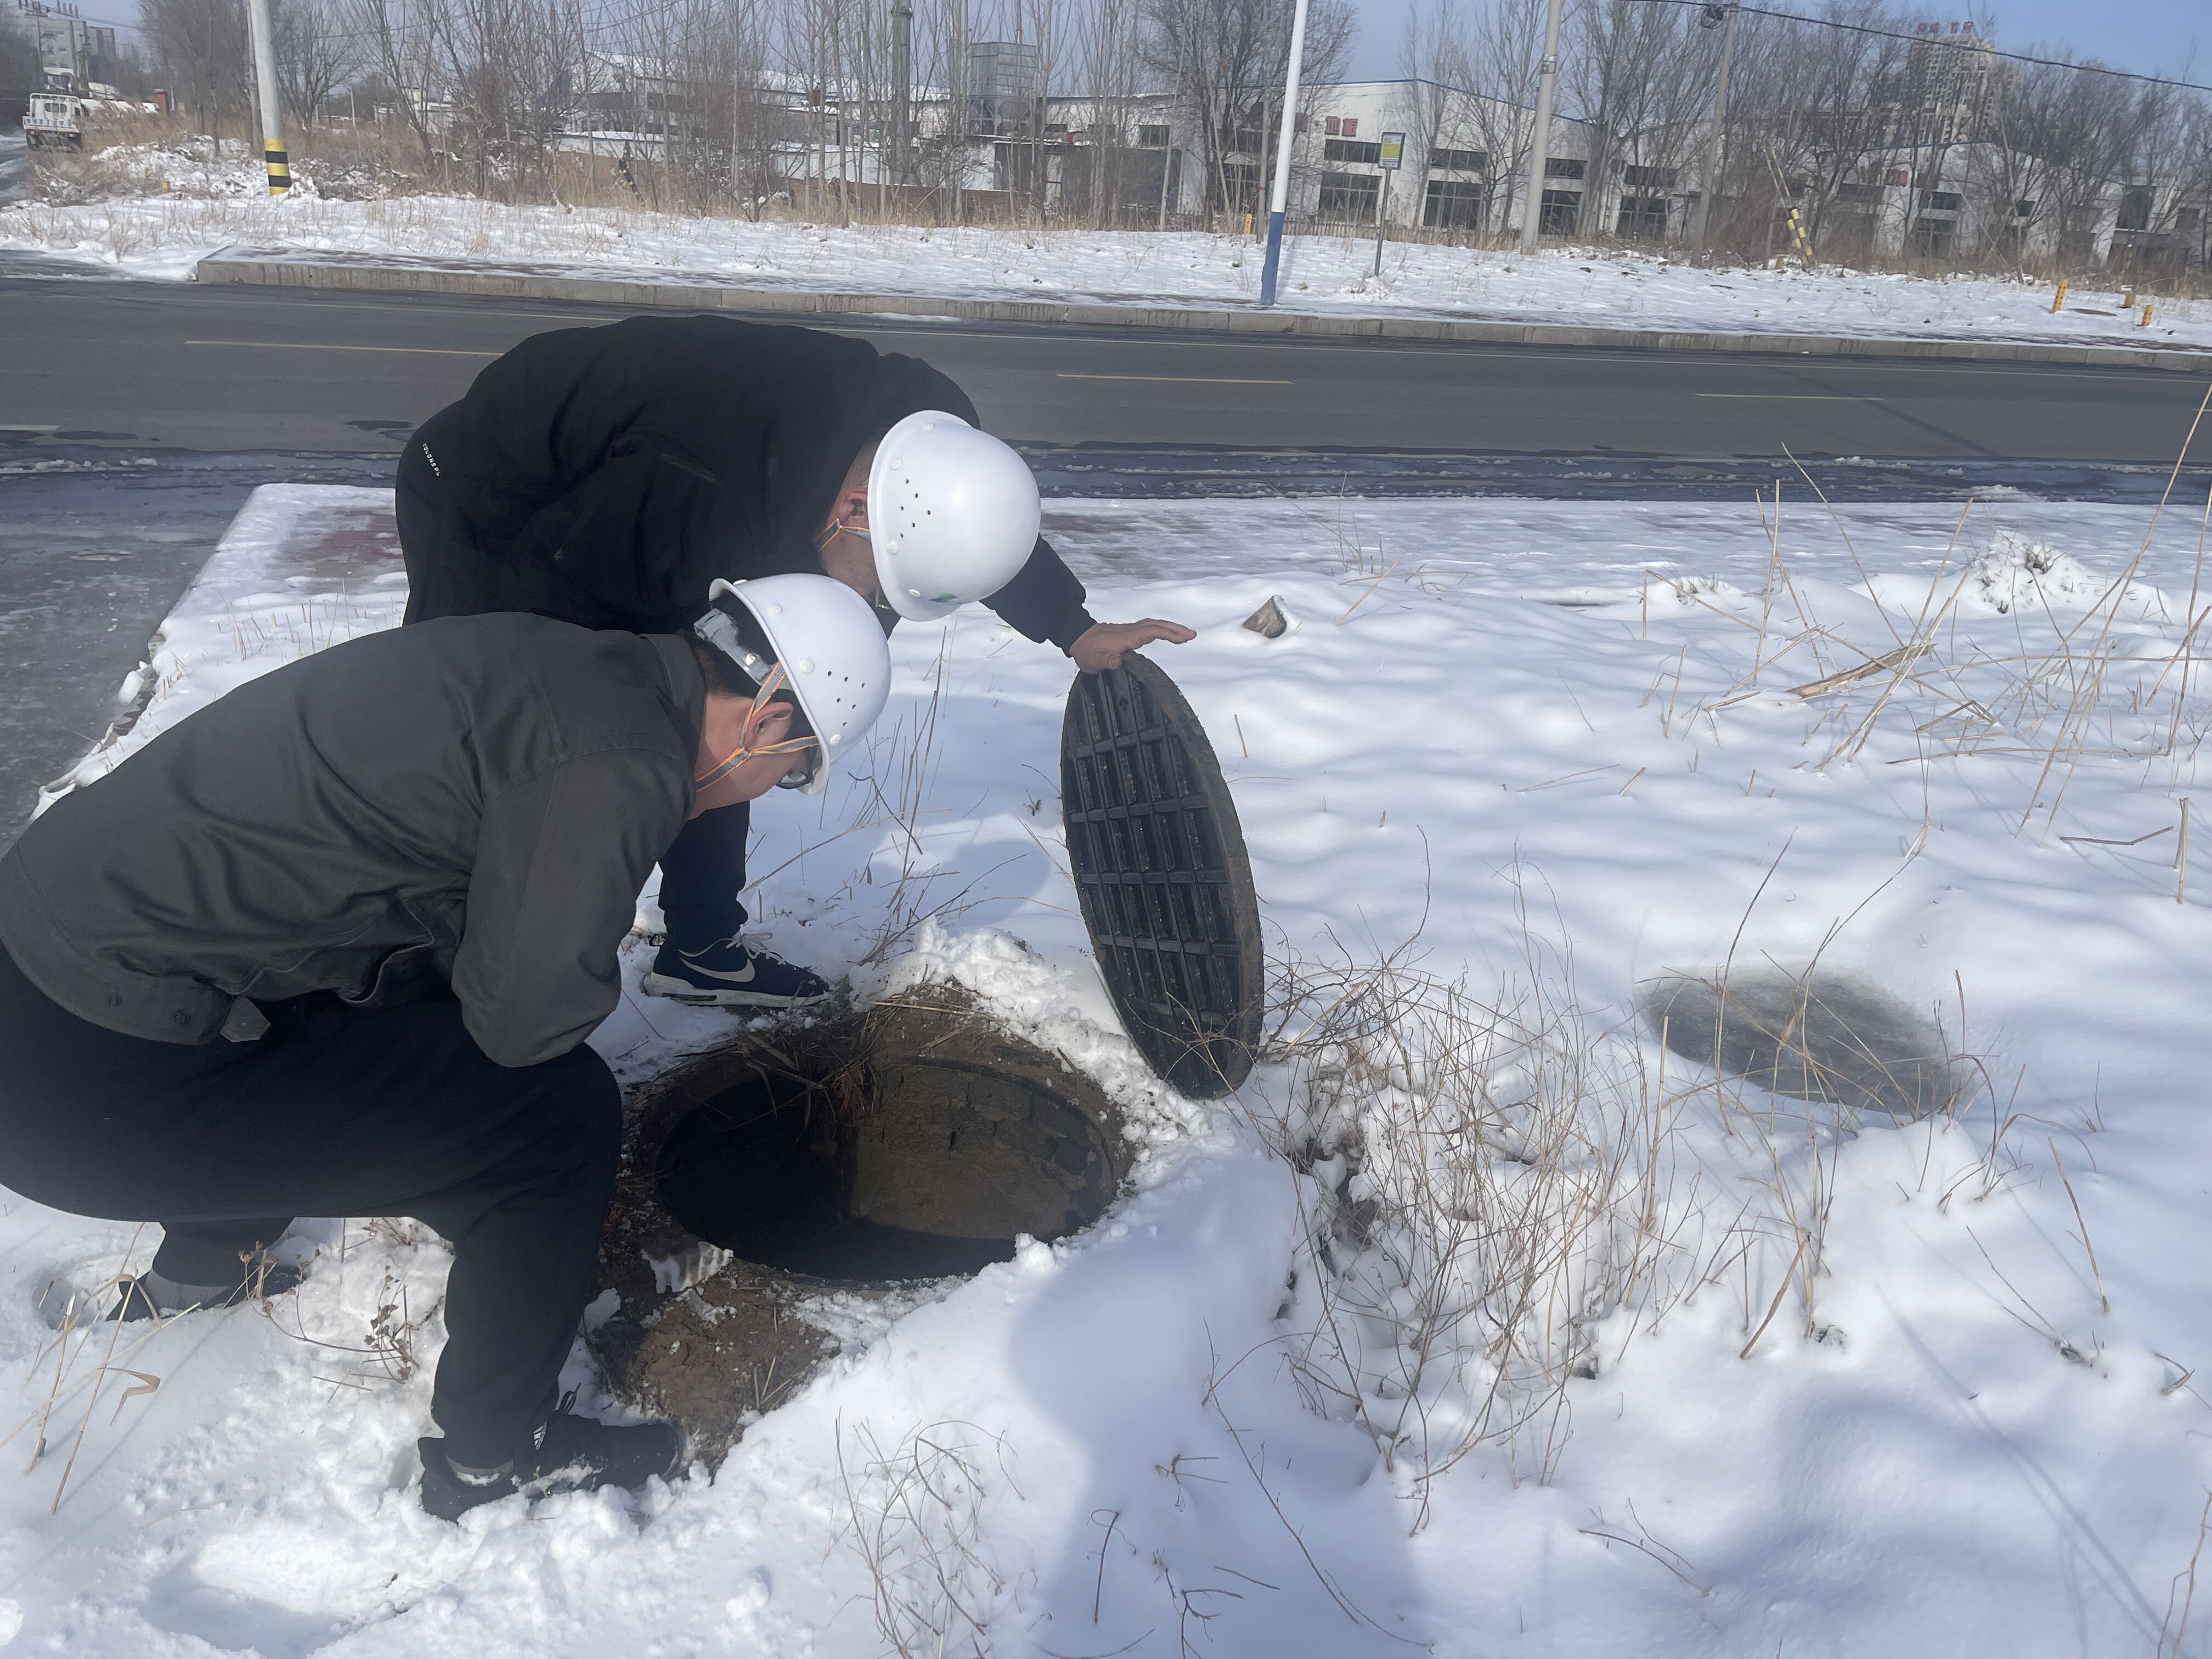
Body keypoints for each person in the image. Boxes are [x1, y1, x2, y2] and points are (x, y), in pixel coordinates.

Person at [0, 574, 890, 1520]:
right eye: (789, 772)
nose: (765, 790)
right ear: (768, 720)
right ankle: (494, 1457)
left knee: (384, 998)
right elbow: (525, 1028)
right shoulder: (620, 762)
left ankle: (209, 1262)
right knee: (556, 1122)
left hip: (41, 967)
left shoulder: (569, 660)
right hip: (82, 1088)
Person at [396, 313, 1194, 1011]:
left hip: (667, 491)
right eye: (879, 593)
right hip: (493, 494)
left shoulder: (921, 449)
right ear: (853, 510)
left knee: (745, 701)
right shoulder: (692, 496)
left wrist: (1074, 628)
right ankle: (434, 948)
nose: (872, 613)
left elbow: (963, 529)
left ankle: (701, 948)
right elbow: (547, 636)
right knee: (529, 723)